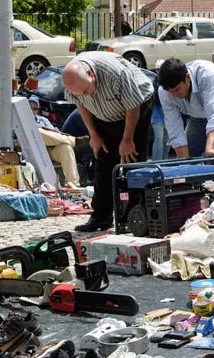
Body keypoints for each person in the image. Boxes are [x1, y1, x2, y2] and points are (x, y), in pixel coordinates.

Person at [62, 52, 154, 232]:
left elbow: (133, 105)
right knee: (103, 161)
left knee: (131, 162)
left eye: (87, 90)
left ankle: (133, 217)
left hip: (136, 106)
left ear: (91, 74)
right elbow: (80, 104)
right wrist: (93, 134)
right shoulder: (72, 80)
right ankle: (100, 217)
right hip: (103, 114)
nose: (87, 94)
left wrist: (127, 139)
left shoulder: (114, 74)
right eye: (82, 93)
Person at [158, 58, 214, 185]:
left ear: (187, 77)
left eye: (177, 89)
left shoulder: (206, 73)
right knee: (185, 159)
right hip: (198, 116)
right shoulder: (164, 92)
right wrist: (185, 165)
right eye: (170, 92)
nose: (174, 95)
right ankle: (190, 193)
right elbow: (174, 128)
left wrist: (210, 146)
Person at [26, 95, 86, 188]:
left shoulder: (43, 120)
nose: (32, 111)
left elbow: (55, 133)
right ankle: (73, 141)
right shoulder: (20, 120)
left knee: (66, 147)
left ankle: (73, 185)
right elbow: (13, 140)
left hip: (49, 149)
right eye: (29, 108)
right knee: (36, 131)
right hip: (34, 150)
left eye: (35, 109)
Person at [149, 59, 170, 161]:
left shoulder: (170, 82)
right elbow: (156, 99)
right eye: (158, 70)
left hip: (169, 115)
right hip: (157, 116)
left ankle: (164, 161)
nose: (160, 72)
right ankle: (156, 162)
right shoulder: (153, 84)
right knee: (159, 139)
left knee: (167, 140)